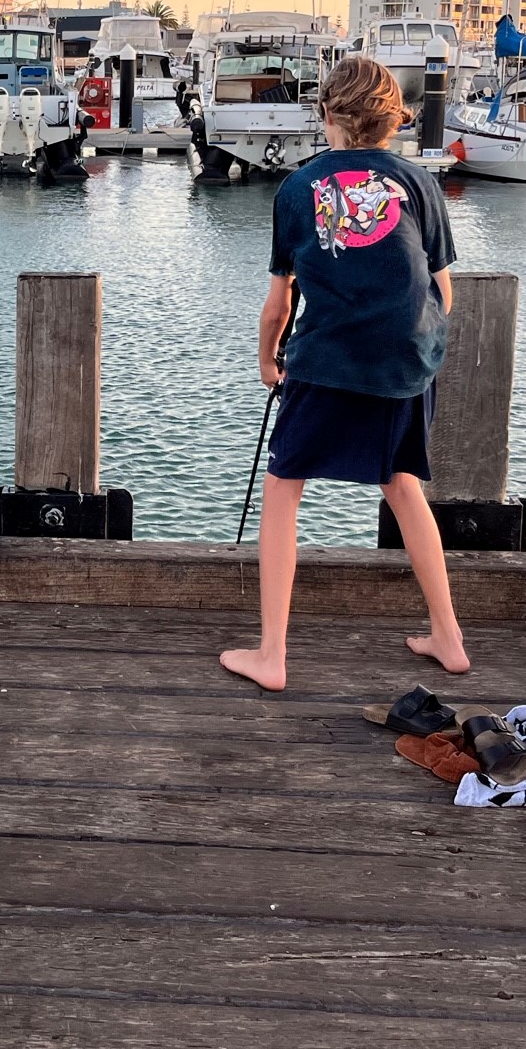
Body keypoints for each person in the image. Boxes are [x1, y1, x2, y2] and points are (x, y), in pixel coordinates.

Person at [220, 55, 468, 691]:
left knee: (283, 487)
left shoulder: (297, 188)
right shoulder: (418, 183)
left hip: (326, 361)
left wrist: (267, 360)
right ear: (392, 122)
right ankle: (448, 636)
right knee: (402, 483)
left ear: (326, 114)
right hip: (405, 365)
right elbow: (444, 294)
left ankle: (271, 654)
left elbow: (279, 304)